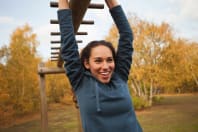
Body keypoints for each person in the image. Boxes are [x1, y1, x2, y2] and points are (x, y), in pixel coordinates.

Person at [58, 0, 142, 131]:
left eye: (109, 60)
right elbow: (68, 42)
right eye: (98, 61)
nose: (105, 66)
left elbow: (127, 35)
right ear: (86, 63)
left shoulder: (120, 76)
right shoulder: (80, 81)